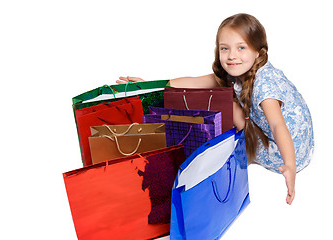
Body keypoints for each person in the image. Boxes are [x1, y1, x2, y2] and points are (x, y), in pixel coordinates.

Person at [116, 13, 314, 205]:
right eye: (224, 49)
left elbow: (278, 125)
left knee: (227, 104)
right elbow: (196, 82)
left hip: (286, 150)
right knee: (215, 92)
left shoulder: (265, 85)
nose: (231, 56)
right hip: (294, 142)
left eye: (241, 47)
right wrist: (152, 86)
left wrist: (289, 164)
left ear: (258, 52)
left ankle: (242, 142)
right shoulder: (242, 70)